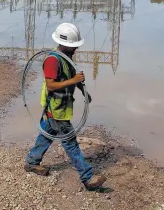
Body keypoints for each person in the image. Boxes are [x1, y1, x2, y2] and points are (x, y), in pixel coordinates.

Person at [24, 22, 107, 191]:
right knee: (70, 143)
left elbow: (68, 79)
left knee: (47, 134)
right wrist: (74, 80)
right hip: (56, 109)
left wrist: (83, 91)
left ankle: (32, 162)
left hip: (58, 108)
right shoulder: (52, 61)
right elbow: (51, 86)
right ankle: (87, 177)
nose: (76, 49)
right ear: (64, 44)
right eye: (73, 46)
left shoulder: (66, 59)